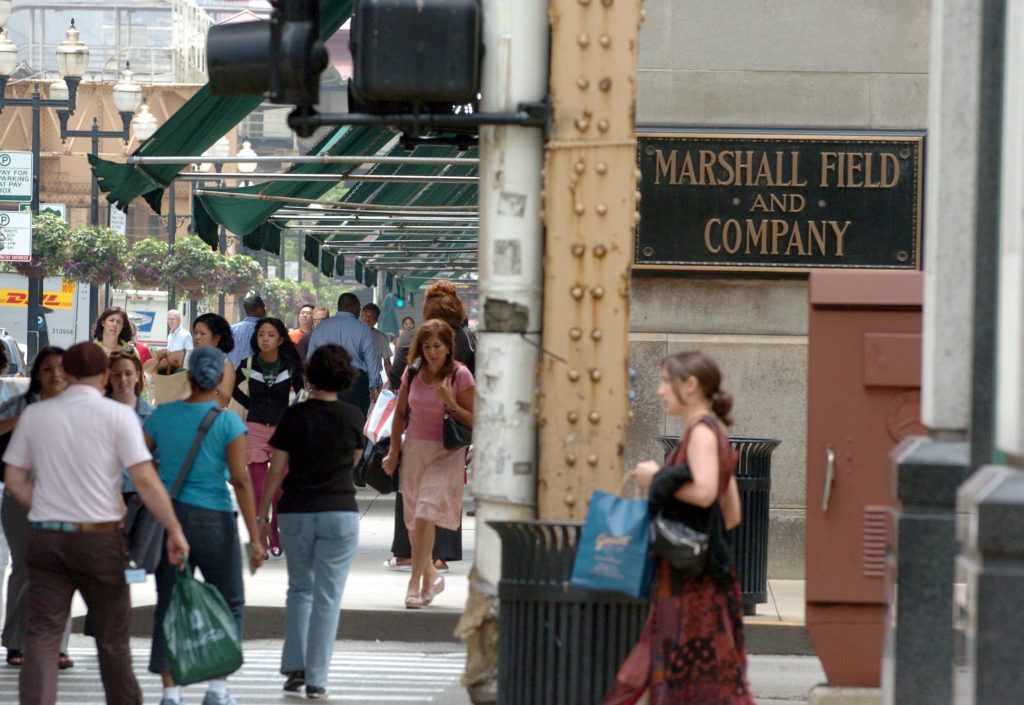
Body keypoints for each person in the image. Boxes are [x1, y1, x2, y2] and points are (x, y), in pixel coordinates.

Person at [3, 342, 189, 705]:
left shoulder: (36, 415)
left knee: (41, 635)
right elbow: (147, 480)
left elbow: (14, 478)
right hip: (101, 540)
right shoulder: (118, 417)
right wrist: (174, 529)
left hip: (47, 538)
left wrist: (43, 506)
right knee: (113, 642)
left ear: (67, 374)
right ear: (105, 376)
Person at [603, 351, 752, 705]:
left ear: (691, 385)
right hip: (706, 575)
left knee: (680, 672)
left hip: (691, 581)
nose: (659, 391)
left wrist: (658, 477)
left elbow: (703, 491)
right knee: (709, 674)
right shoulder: (716, 431)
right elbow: (731, 512)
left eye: (666, 382)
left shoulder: (700, 431)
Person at [143, 346, 264, 705]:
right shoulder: (228, 422)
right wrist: (255, 539)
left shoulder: (161, 416)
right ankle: (217, 688)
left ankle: (170, 692)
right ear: (219, 380)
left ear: (189, 375)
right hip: (214, 520)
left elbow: (138, 461)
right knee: (230, 601)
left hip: (170, 519)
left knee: (170, 601)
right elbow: (241, 481)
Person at [258, 345, 363, 699]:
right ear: (345, 378)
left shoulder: (294, 416)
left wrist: (262, 516)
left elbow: (275, 468)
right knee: (328, 597)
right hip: (339, 512)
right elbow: (353, 461)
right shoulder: (352, 417)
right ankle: (317, 678)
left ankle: (295, 669)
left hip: (296, 511)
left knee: (300, 590)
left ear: (310, 375)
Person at [382, 320, 474, 609]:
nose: (432, 352)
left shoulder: (461, 376)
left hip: (446, 454)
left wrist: (451, 403)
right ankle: (432, 576)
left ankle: (416, 583)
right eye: (427, 346)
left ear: (449, 348)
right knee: (414, 521)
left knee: (425, 512)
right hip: (415, 452)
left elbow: (475, 419)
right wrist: (394, 452)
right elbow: (399, 415)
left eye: (438, 346)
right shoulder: (412, 372)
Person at [0, 348, 73, 670]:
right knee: (25, 568)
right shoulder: (18, 405)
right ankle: (16, 641)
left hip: (65, 499)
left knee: (61, 571)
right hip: (20, 497)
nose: (55, 374)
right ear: (37, 374)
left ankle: (57, 645)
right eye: (47, 368)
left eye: (61, 368)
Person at [233, 318, 305, 557]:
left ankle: (276, 530)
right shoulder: (248, 363)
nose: (265, 339)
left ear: (281, 339)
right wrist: (249, 404)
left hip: (282, 430)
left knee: (280, 488)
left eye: (271, 335)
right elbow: (233, 387)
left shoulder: (290, 365)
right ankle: (260, 540)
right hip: (254, 429)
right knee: (257, 488)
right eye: (261, 334)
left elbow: (302, 392)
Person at [307, 293, 379, 415]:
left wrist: (311, 384)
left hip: (326, 382)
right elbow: (371, 360)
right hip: (355, 385)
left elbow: (311, 358)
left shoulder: (320, 328)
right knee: (355, 423)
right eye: (358, 308)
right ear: (352, 307)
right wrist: (374, 386)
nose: (359, 311)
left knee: (327, 423)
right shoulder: (363, 329)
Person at [192, 313, 236, 409]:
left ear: (216, 338)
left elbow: (224, 401)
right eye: (195, 333)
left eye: (202, 333)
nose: (197, 337)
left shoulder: (225, 365)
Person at [360, 303, 393, 399]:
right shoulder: (352, 334)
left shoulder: (381, 337)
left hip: (375, 381)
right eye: (365, 315)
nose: (367, 319)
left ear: (376, 320)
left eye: (370, 317)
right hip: (356, 379)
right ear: (361, 316)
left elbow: (387, 363)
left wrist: (391, 384)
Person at [229, 294, 267, 369]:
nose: (265, 310)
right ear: (259, 309)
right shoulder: (266, 331)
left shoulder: (231, 329)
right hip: (255, 377)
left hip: (232, 376)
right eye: (264, 308)